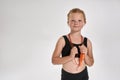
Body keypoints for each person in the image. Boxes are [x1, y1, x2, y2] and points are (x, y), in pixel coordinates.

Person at [51, 8, 94, 80]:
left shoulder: (87, 42)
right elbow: (54, 60)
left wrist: (85, 55)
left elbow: (91, 63)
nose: (76, 23)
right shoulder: (62, 40)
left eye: (79, 20)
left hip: (83, 75)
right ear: (68, 22)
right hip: (67, 76)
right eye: (73, 20)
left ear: (84, 22)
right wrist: (70, 57)